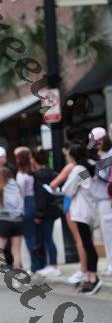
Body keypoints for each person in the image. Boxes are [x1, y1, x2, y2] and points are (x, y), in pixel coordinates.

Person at [62, 142, 102, 295]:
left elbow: (67, 189)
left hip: (80, 211)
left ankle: (93, 278)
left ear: (73, 156)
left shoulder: (78, 169)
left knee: (87, 245)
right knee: (88, 244)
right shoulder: (89, 167)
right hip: (89, 209)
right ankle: (90, 276)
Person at [50, 143, 87, 285]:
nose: (65, 156)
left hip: (72, 204)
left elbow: (57, 185)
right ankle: (85, 268)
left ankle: (83, 269)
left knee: (79, 238)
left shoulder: (73, 167)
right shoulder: (85, 168)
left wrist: (59, 189)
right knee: (82, 238)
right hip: (79, 204)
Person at [30, 147, 61, 277]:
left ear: (34, 159)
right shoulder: (51, 172)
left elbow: (40, 196)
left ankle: (53, 265)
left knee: (48, 238)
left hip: (45, 211)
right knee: (49, 237)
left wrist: (39, 214)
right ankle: (52, 264)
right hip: (53, 209)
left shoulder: (38, 175)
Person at [0, 167, 24, 274]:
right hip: (18, 220)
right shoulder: (17, 187)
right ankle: (17, 276)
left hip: (3, 220)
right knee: (16, 250)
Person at [90, 126, 112, 277]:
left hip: (106, 199)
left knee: (109, 234)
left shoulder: (108, 156)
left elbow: (101, 176)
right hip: (103, 199)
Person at [15, 148, 38, 273]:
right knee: (33, 235)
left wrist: (19, 210)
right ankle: (36, 263)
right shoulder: (31, 173)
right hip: (33, 201)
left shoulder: (21, 175)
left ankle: (33, 265)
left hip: (26, 203)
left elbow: (21, 194)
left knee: (29, 236)